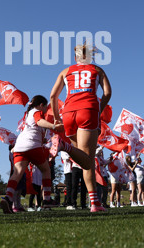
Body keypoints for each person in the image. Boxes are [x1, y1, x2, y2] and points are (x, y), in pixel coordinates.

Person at [50, 43, 112, 212]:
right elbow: (107, 93)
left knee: (82, 160)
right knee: (88, 159)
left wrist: (57, 118)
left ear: (75, 57)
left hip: (68, 112)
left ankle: (95, 203)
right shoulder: (97, 70)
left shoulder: (65, 71)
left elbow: (53, 95)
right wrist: (98, 108)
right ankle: (64, 146)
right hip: (88, 109)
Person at [0, 95, 61, 213]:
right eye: (45, 107)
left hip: (20, 146)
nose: (46, 110)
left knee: (17, 173)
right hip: (32, 146)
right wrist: (54, 126)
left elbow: (36, 128)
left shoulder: (28, 114)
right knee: (46, 170)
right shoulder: (37, 111)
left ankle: (8, 198)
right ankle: (47, 200)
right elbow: (39, 121)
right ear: (41, 105)